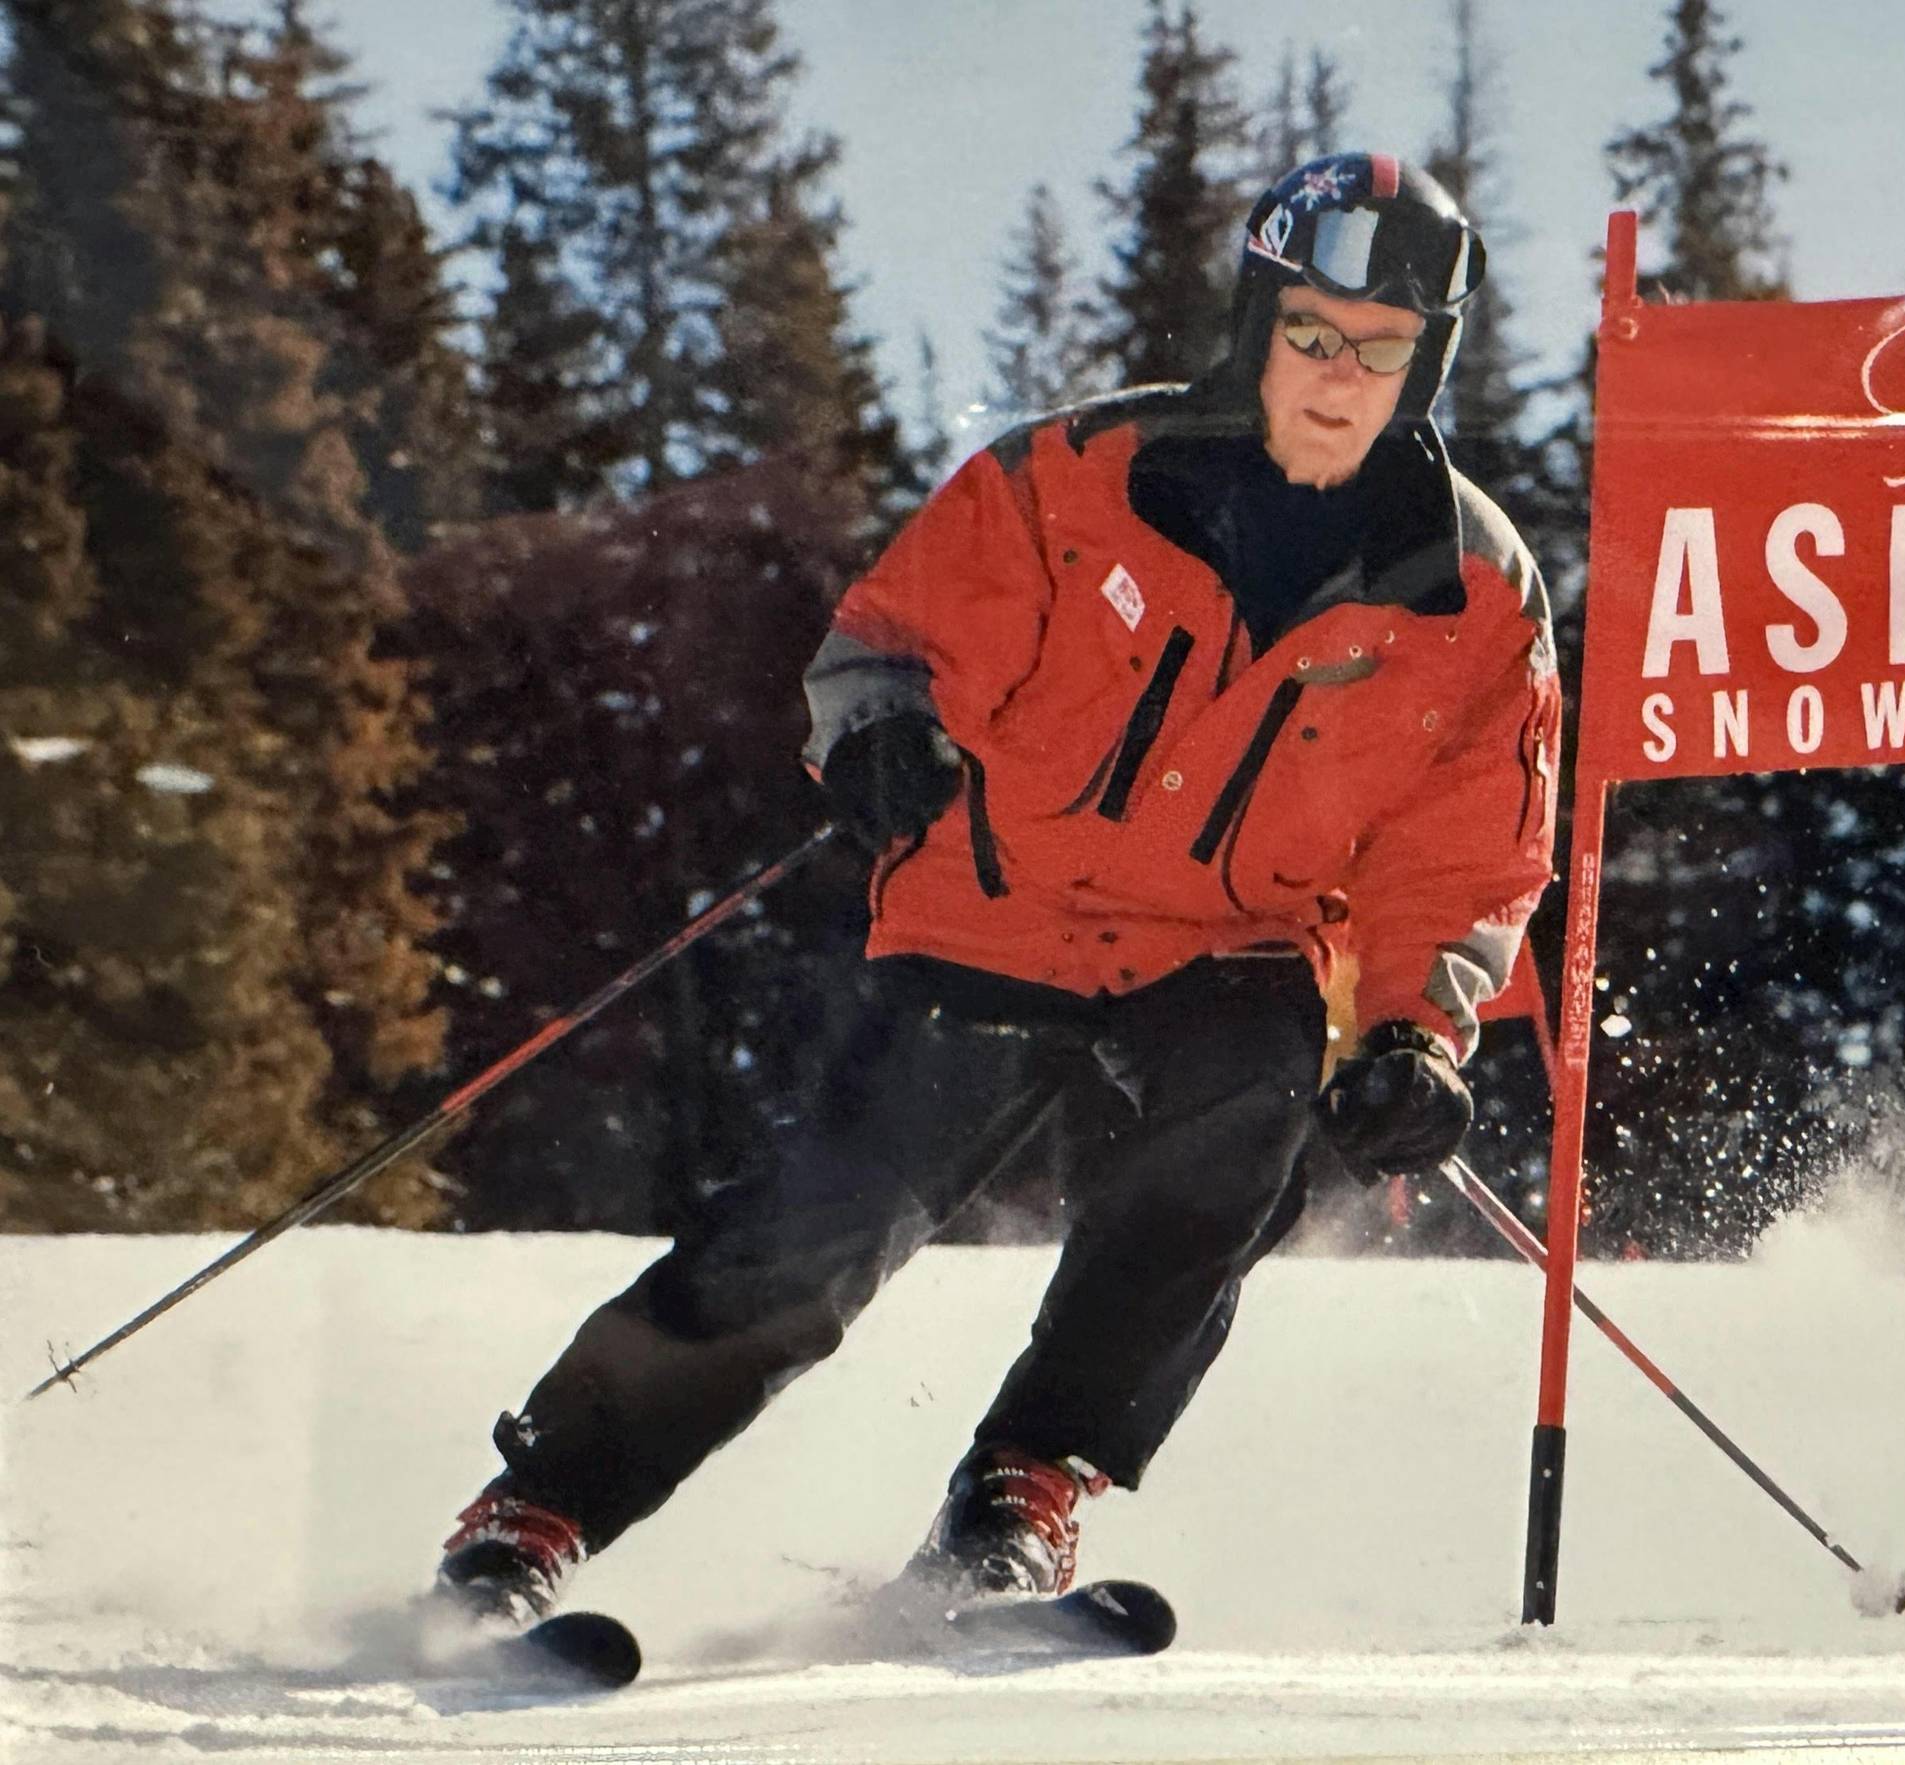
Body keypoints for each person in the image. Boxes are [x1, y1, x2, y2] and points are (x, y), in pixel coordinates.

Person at [433, 152, 1561, 1627]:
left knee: (1246, 1113)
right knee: (813, 1237)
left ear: (1427, 366)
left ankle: (1023, 1490)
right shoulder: (1075, 478)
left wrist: (1418, 1028)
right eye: (1311, 332)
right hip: (995, 912)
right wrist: (886, 730)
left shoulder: (1470, 591)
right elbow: (898, 634)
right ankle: (538, 1506)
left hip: (1221, 950)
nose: (1339, 375)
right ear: (1256, 324)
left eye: (1382, 347)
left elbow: (1464, 850)